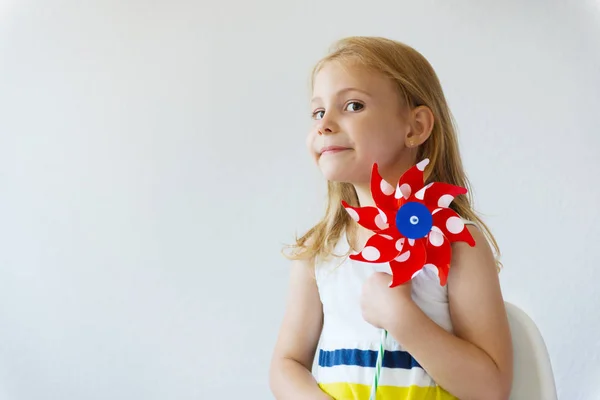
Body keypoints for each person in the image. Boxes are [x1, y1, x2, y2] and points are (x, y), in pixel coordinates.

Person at [269, 36, 513, 400]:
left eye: (352, 105)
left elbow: (491, 388)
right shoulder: (319, 251)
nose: (325, 125)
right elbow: (285, 364)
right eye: (318, 112)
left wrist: (402, 318)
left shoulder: (457, 243)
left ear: (414, 127)